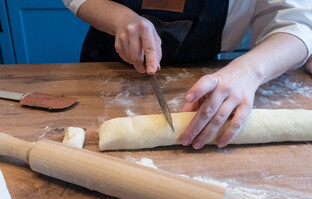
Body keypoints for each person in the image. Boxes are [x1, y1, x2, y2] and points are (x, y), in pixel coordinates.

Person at [63, 0, 312, 149]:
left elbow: (297, 21)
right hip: (106, 66)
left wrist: (248, 72)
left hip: (211, 73)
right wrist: (120, 18)